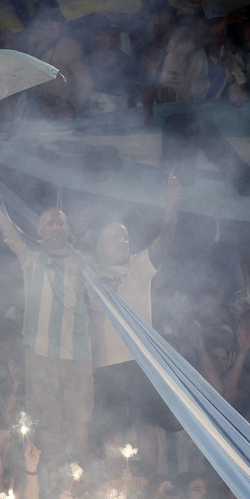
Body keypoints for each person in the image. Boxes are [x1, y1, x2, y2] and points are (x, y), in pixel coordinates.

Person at [0, 162, 94, 457]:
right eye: (50, 222)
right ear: (39, 230)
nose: (57, 225)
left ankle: (80, 476)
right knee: (48, 422)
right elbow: (6, 228)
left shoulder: (84, 263)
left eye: (61, 221)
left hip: (78, 353)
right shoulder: (30, 255)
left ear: (69, 229)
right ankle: (56, 474)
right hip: (39, 353)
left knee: (79, 419)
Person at [91, 171, 180, 448]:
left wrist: (172, 204)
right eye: (115, 238)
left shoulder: (138, 265)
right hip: (105, 365)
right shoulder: (88, 272)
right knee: (111, 434)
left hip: (141, 363)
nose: (123, 242)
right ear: (100, 246)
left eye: (125, 237)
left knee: (161, 426)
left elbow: (165, 240)